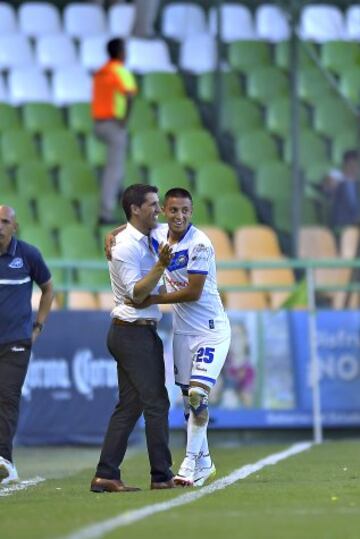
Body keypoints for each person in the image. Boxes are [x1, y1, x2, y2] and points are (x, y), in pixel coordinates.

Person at [108, 188, 231, 487]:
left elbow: (193, 291)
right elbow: (134, 227)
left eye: (185, 211)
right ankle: (205, 462)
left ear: (192, 211)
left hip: (210, 330)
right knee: (190, 403)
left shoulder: (199, 244)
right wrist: (112, 233)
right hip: (183, 333)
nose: (179, 216)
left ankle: (189, 464)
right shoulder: (160, 233)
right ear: (164, 210)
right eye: (173, 210)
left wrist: (150, 301)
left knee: (197, 395)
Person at [90, 184, 176, 493]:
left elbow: (181, 225)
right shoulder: (124, 247)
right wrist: (161, 265)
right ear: (135, 209)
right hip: (132, 332)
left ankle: (106, 474)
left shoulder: (151, 232)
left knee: (130, 406)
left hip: (137, 332)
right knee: (156, 402)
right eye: (153, 204)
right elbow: (137, 293)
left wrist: (115, 228)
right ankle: (161, 476)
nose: (160, 209)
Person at [0, 205, 54, 484]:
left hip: (15, 342)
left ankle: (4, 461)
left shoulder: (28, 254)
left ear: (14, 226)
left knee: (7, 398)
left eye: (4, 221)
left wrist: (38, 326)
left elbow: (48, 288)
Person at [91, 37, 138, 225]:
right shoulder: (119, 71)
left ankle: (123, 197)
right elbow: (129, 94)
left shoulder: (101, 71)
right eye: (124, 49)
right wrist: (125, 118)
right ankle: (106, 212)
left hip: (98, 123)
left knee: (116, 167)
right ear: (119, 52)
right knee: (114, 168)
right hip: (113, 124)